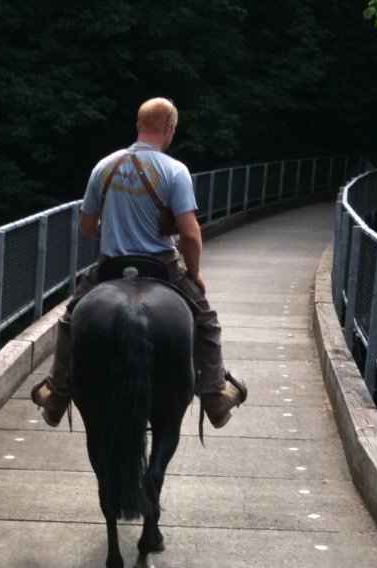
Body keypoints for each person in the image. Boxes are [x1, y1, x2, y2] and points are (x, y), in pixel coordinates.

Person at [30, 97, 247, 428]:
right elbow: (190, 236)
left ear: (138, 126)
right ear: (169, 128)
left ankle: (57, 395)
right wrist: (195, 273)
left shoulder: (103, 167)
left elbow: (86, 226)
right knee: (206, 321)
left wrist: (116, 228)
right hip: (161, 265)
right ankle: (215, 396)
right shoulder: (175, 170)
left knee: (71, 319)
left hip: (111, 265)